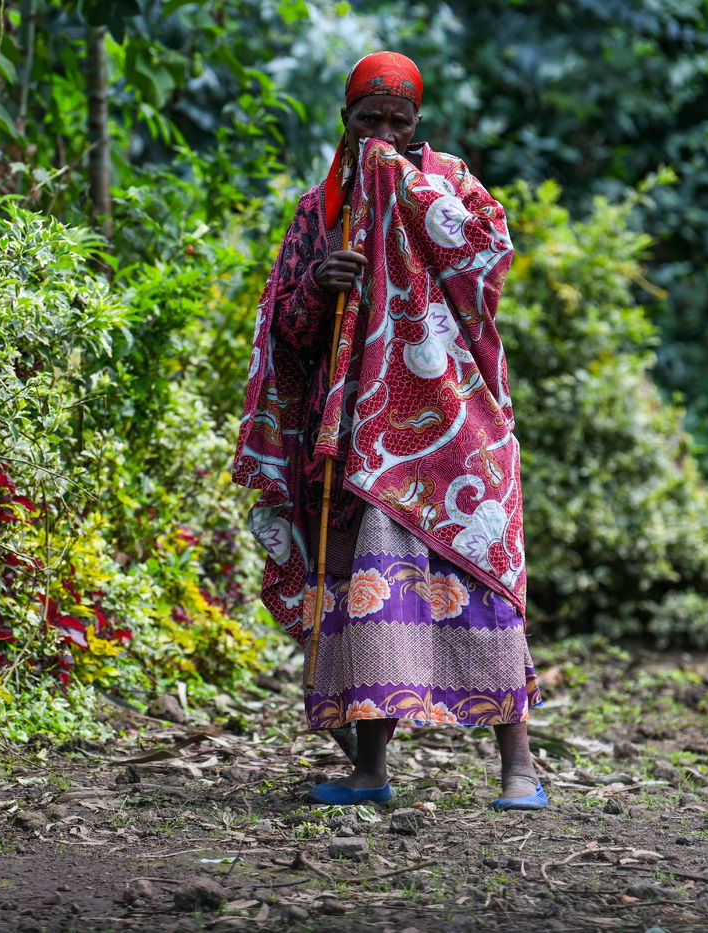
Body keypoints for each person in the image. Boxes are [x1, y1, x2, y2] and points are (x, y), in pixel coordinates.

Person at [232, 52, 547, 811]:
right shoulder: (319, 212)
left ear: (417, 125)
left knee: (481, 576)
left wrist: (403, 187)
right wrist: (320, 285)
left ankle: (520, 769)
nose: (381, 133)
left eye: (396, 122)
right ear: (344, 120)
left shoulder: (452, 185)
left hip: (455, 428)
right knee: (367, 589)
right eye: (367, 119)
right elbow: (288, 331)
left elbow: (487, 262)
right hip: (360, 436)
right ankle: (370, 769)